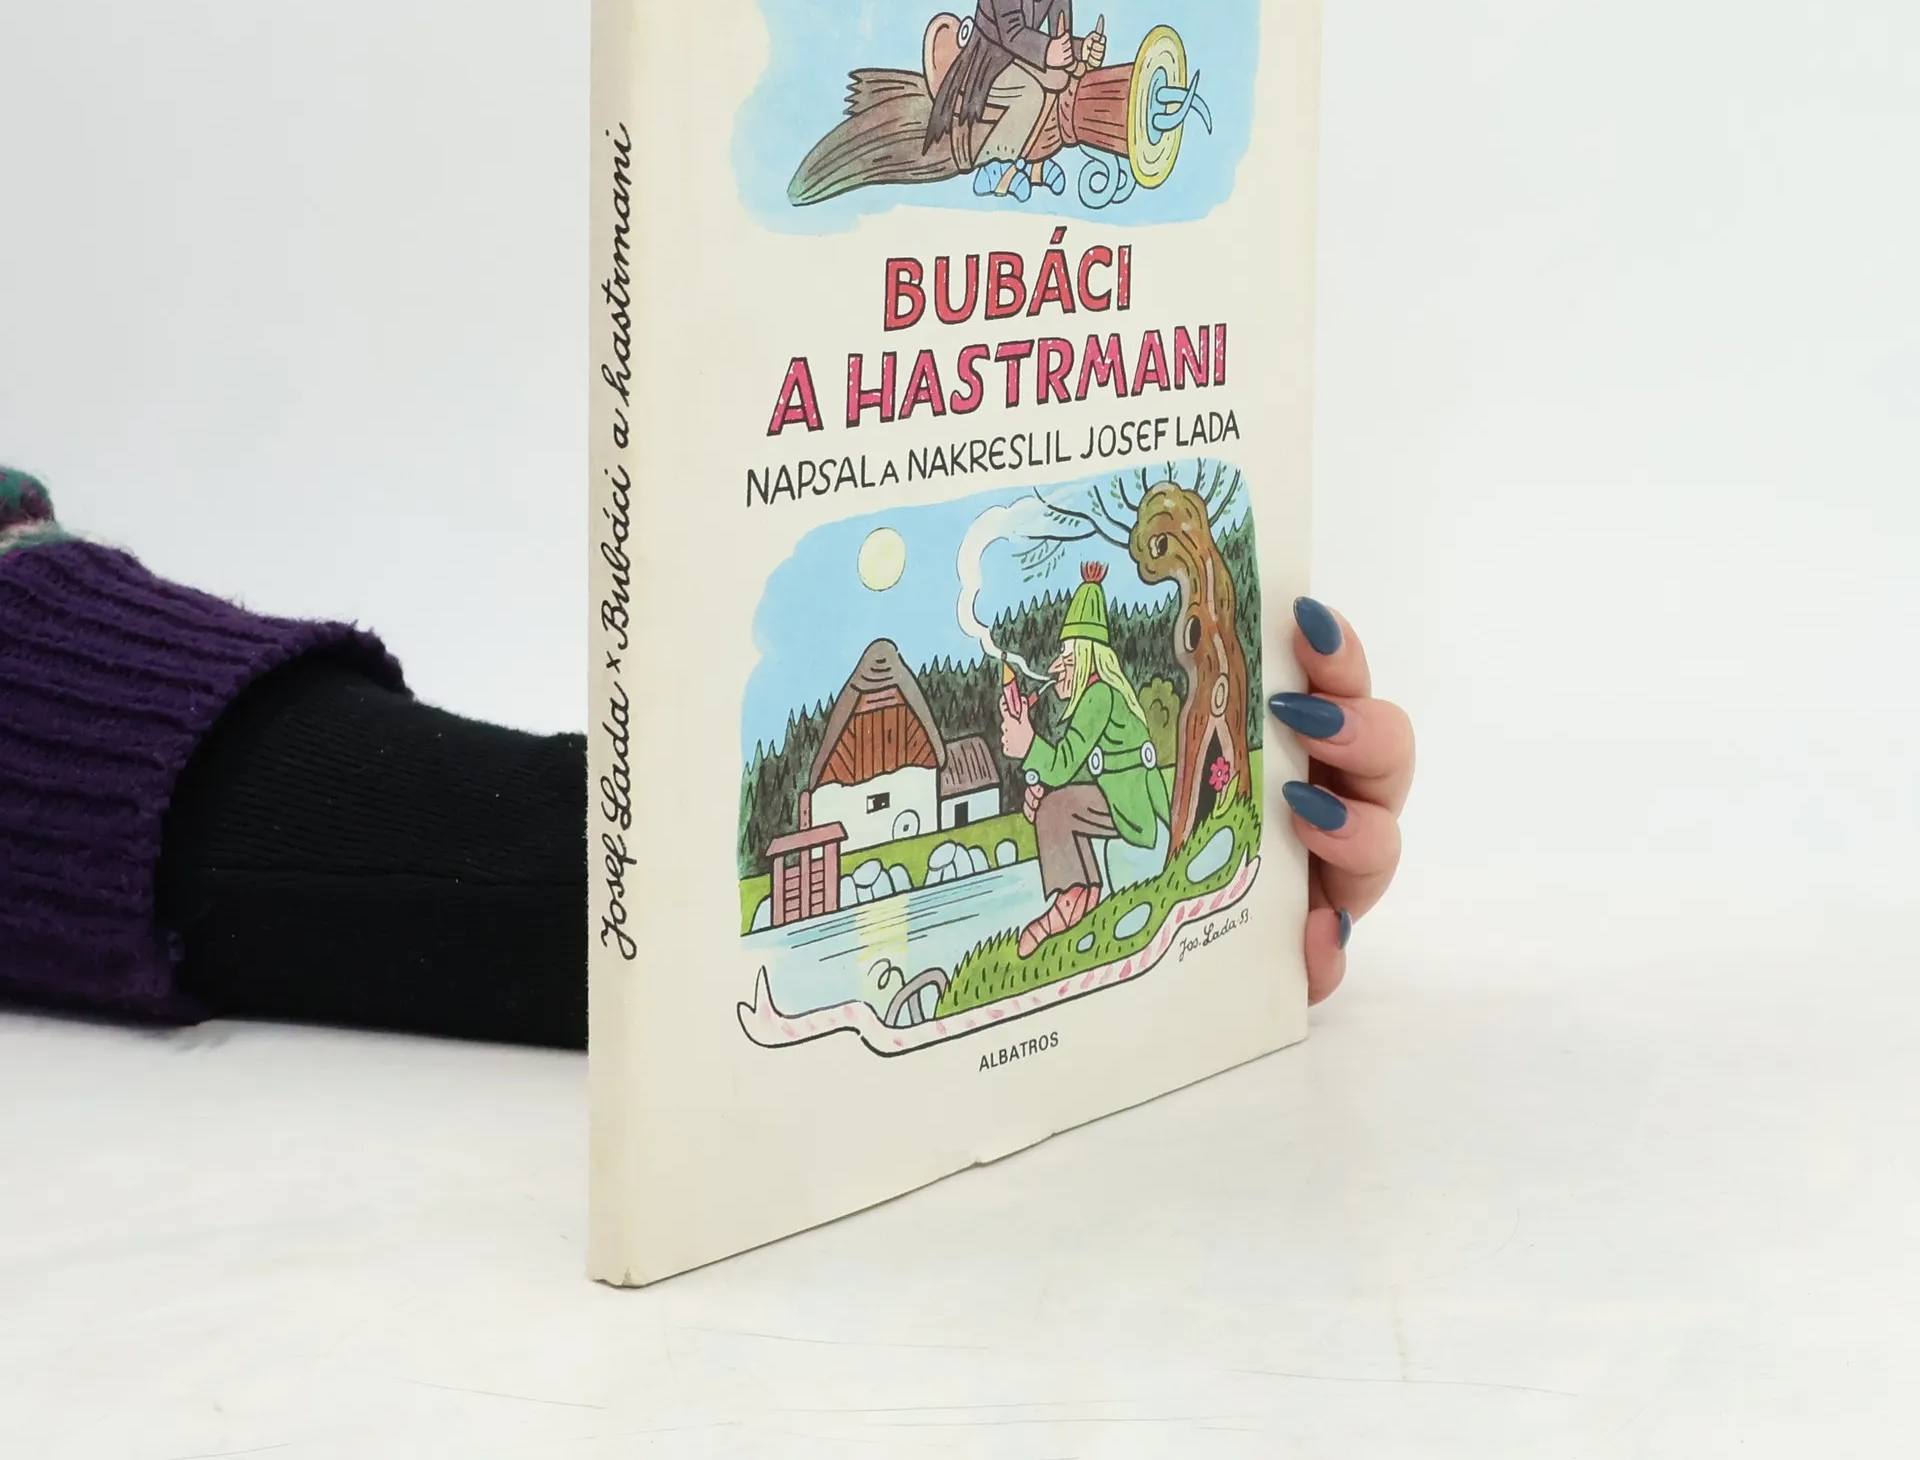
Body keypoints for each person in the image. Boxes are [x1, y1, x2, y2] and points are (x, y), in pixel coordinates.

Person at [0, 467, 1410, 1041]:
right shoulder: (1060, 695)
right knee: (1051, 826)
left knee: (1069, 826)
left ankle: (1111, 893)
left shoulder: (1101, 690)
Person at [998, 561, 1171, 958]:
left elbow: (1062, 764)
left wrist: (1027, 743)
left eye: (1066, 654)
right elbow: (1076, 767)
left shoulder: (1099, 695)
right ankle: (1085, 893)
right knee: (1053, 804)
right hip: (1129, 801)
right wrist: (1040, 778)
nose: (1055, 666)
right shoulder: (1100, 695)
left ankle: (1072, 897)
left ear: (1086, 657)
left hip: (1136, 810)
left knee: (1055, 808)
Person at [923, 0, 1107, 201]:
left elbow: (1060, 35)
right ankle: (995, 164)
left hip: (1028, 56)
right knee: (1032, 92)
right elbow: (1011, 34)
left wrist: (1083, 49)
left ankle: (1036, 164)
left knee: (1064, 78)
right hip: (989, 58)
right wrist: (1050, 52)